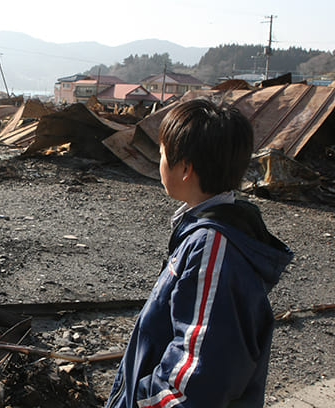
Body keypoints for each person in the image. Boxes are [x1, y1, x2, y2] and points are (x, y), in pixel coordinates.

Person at [105, 99, 294, 408]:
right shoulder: (209, 231)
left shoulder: (213, 248)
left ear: (186, 168)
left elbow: (197, 380)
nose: (160, 162)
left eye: (163, 154)